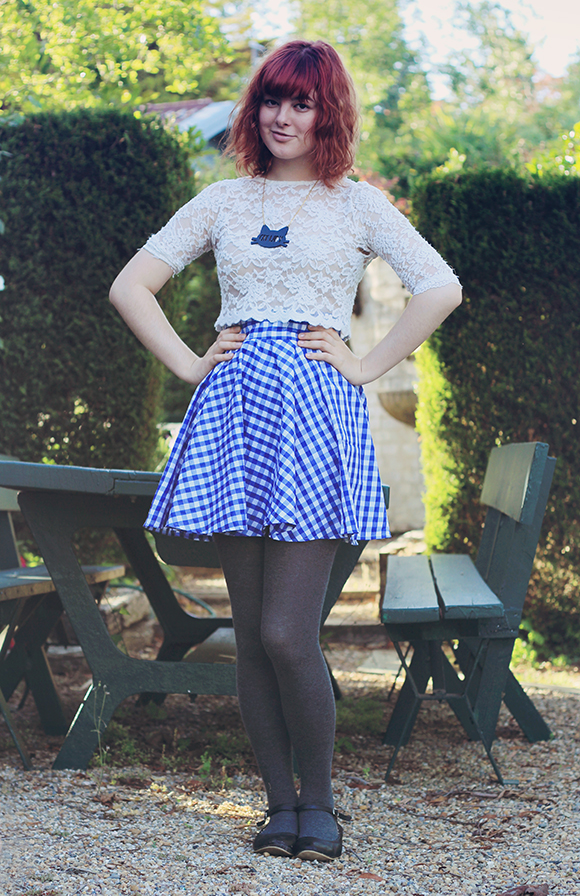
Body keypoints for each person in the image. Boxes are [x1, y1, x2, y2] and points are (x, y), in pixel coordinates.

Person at [109, 39, 462, 862]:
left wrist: (366, 365)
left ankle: (322, 806)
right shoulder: (224, 200)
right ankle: (279, 808)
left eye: (301, 102)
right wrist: (190, 364)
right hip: (235, 415)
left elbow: (440, 286)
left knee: (285, 633)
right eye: (271, 99)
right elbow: (131, 285)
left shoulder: (358, 204)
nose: (282, 116)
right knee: (252, 632)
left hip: (314, 413)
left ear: (326, 112)